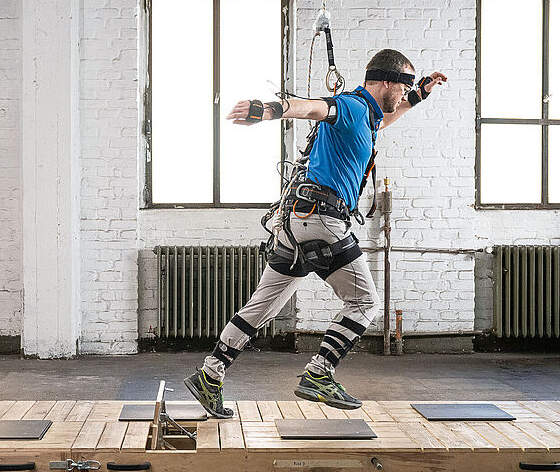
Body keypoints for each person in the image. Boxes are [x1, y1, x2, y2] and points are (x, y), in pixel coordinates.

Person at [184, 49, 447, 419]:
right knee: (365, 303)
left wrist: (420, 95)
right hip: (323, 221)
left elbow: (385, 119)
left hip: (294, 223)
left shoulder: (366, 118)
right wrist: (266, 109)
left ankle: (210, 375)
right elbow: (313, 108)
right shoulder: (351, 106)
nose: (405, 95)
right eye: (404, 87)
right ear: (387, 82)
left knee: (263, 306)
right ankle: (319, 373)